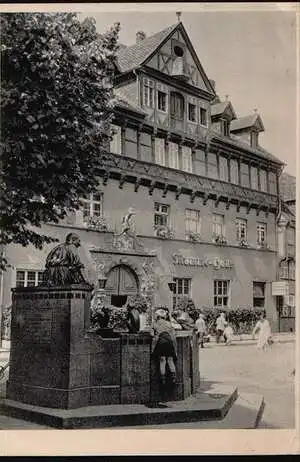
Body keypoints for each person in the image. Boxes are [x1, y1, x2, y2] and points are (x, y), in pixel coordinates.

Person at [151, 308, 177, 385]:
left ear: (158, 316)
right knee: (170, 360)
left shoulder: (154, 323)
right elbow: (173, 336)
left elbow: (151, 334)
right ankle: (173, 377)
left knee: (162, 360)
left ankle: (163, 378)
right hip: (169, 343)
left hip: (161, 342)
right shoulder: (169, 324)